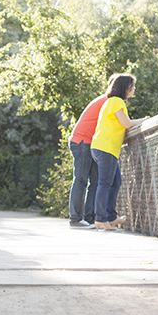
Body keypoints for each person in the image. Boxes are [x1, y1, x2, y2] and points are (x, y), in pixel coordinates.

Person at [90, 73, 145, 232]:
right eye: (132, 86)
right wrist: (142, 120)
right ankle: (101, 218)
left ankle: (110, 216)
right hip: (105, 148)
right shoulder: (116, 102)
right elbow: (126, 123)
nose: (133, 89)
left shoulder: (111, 102)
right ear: (124, 87)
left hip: (104, 148)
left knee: (115, 182)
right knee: (105, 183)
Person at [66, 91, 110, 230]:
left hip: (90, 143)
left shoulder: (108, 101)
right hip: (82, 142)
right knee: (80, 180)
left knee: (95, 181)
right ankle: (75, 219)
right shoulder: (109, 102)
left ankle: (89, 218)